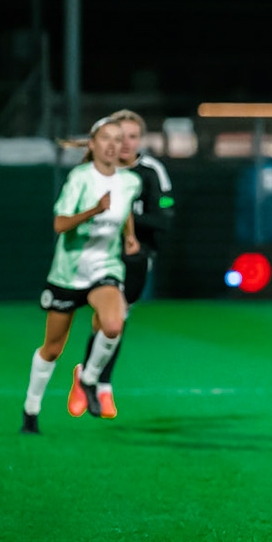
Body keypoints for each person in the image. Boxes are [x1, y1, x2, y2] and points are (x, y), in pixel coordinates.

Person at [19, 118, 141, 433]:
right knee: (53, 348)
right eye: (106, 139)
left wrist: (129, 235)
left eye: (118, 139)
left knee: (114, 324)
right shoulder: (79, 179)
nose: (113, 145)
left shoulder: (130, 182)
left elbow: (124, 207)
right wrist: (94, 212)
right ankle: (31, 410)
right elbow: (60, 225)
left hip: (105, 268)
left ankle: (88, 379)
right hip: (69, 272)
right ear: (93, 144)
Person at [76, 110, 174, 419]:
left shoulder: (152, 171)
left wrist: (128, 218)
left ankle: (88, 378)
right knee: (110, 319)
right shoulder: (96, 172)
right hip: (100, 255)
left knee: (112, 322)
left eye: (133, 136)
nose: (127, 143)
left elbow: (166, 216)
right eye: (121, 137)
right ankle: (99, 386)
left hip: (137, 256)